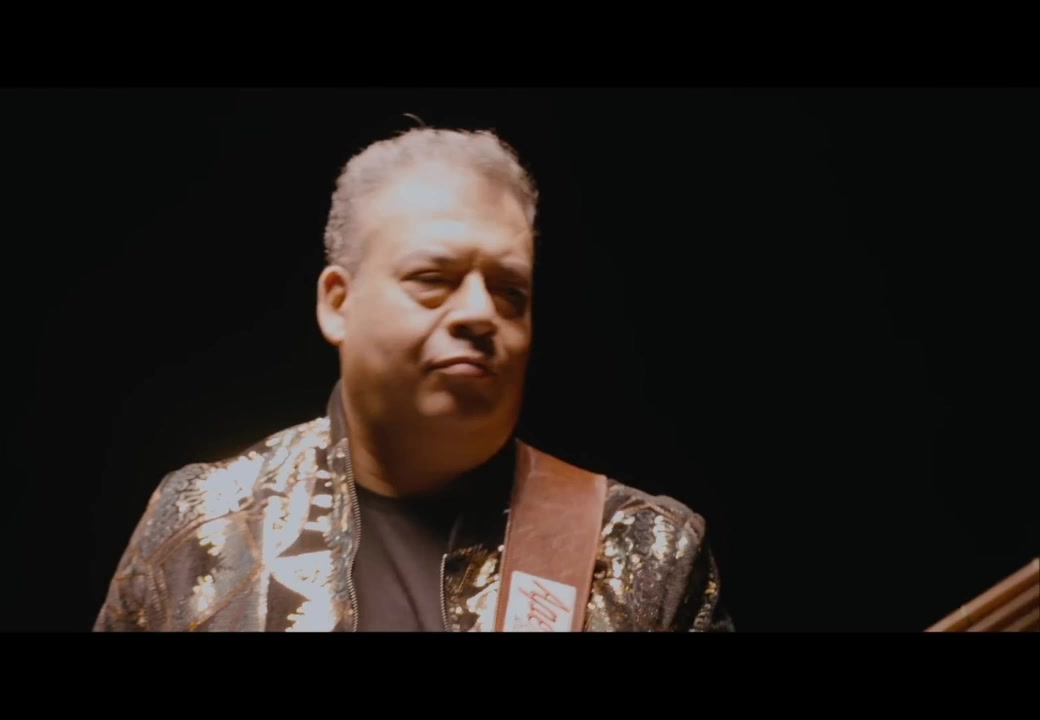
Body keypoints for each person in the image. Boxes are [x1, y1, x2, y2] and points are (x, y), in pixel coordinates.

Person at [92, 125, 735, 632]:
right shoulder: (203, 523)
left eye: (510, 291)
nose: (480, 312)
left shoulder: (647, 547)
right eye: (433, 279)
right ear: (338, 303)